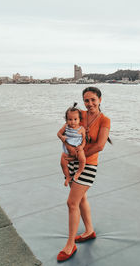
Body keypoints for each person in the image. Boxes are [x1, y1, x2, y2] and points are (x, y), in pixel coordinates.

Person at [57, 87, 111, 262]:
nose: (89, 104)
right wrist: (66, 143)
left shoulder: (104, 120)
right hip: (70, 161)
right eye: (86, 100)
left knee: (72, 202)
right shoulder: (79, 113)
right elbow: (65, 128)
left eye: (93, 100)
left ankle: (70, 244)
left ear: (100, 100)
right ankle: (89, 231)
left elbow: (100, 146)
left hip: (87, 164)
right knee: (81, 199)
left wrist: (77, 155)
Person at [57, 103, 86, 186]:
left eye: (75, 119)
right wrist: (62, 137)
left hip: (77, 148)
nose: (72, 122)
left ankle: (79, 171)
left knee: (82, 159)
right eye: (70, 119)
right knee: (62, 163)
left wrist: (81, 147)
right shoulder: (66, 126)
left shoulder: (81, 129)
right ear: (66, 120)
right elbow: (58, 133)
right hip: (66, 148)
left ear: (79, 119)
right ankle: (67, 176)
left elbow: (84, 140)